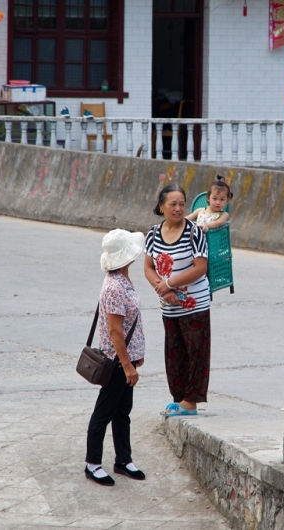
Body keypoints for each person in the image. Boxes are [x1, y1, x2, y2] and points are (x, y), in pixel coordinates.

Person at [85, 229, 147, 486]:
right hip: (117, 362)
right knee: (104, 412)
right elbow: (115, 331)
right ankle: (92, 464)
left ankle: (123, 459)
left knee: (123, 411)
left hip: (127, 359)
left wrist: (136, 357)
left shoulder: (122, 279)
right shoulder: (114, 287)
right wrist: (126, 365)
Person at [144, 184, 211, 417]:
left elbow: (200, 268)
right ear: (161, 206)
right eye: (172, 204)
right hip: (169, 306)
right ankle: (179, 398)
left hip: (195, 304)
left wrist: (170, 284)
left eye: (182, 203)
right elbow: (148, 267)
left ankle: (190, 402)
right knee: (174, 353)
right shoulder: (153, 233)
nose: (178, 208)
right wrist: (162, 289)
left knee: (196, 353)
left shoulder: (194, 232)